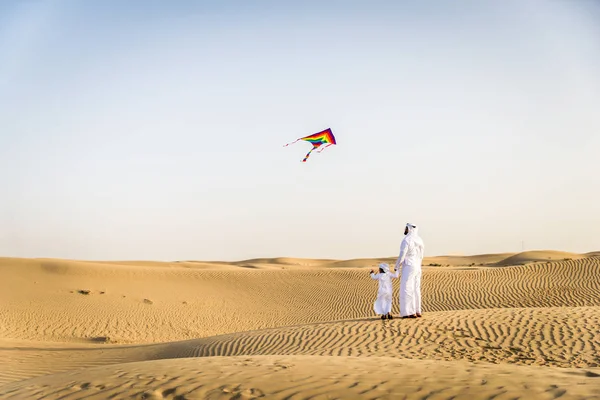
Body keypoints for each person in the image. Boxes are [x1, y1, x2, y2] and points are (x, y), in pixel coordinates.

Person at [394, 223, 425, 318]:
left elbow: (402, 254)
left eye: (406, 228)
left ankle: (408, 312)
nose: (405, 229)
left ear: (409, 229)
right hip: (417, 266)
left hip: (409, 265)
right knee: (416, 288)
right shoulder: (419, 240)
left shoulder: (406, 240)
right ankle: (417, 310)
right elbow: (421, 255)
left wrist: (396, 265)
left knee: (406, 288)